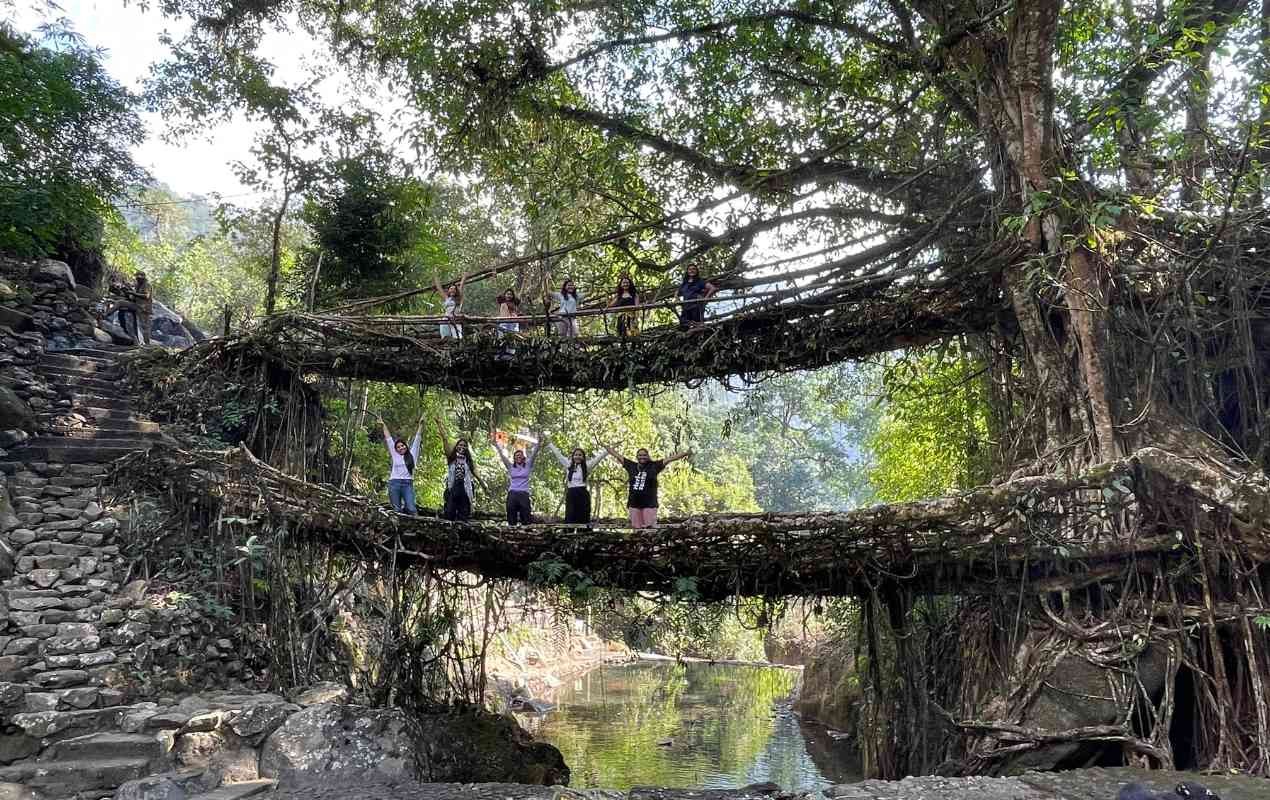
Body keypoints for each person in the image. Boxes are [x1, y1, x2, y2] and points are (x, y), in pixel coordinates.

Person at [602, 444, 691, 528]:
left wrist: (685, 453)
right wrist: (605, 446)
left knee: (649, 529)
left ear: (648, 456)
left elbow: (670, 459)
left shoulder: (654, 466)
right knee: (636, 530)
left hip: (649, 504)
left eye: (644, 455)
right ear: (637, 457)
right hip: (634, 504)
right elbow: (617, 455)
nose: (642, 457)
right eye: (640, 455)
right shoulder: (631, 466)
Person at [546, 440, 608, 525]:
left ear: (583, 457)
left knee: (583, 518)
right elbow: (558, 454)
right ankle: (568, 536)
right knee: (570, 517)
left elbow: (598, 458)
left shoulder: (587, 466)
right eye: (576, 455)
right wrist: (549, 443)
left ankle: (583, 536)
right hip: (571, 494)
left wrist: (608, 450)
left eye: (580, 455)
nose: (577, 457)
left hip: (582, 494)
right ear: (573, 456)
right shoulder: (568, 465)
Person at [377, 412, 423, 515]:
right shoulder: (395, 455)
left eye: (402, 446)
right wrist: (383, 424)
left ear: (406, 446)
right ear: (396, 450)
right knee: (397, 510)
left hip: (407, 484)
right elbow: (388, 439)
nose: (401, 448)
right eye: (398, 447)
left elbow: (417, 439)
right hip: (394, 483)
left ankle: (414, 526)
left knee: (411, 508)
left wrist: (421, 425)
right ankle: (399, 529)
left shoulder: (412, 455)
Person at [493, 431, 542, 525]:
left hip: (524, 493)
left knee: (526, 516)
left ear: (523, 457)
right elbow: (502, 456)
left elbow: (534, 454)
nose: (518, 457)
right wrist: (496, 445)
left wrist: (539, 443)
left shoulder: (528, 465)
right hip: (513, 493)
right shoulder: (510, 466)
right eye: (516, 456)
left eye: (520, 456)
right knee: (511, 513)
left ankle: (526, 533)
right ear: (514, 458)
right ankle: (511, 531)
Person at [436, 416, 476, 521]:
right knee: (449, 512)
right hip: (453, 486)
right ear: (456, 446)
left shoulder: (468, 461)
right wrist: (440, 425)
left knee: (464, 513)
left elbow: (474, 474)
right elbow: (445, 440)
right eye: (460, 445)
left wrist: (483, 485)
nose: (461, 447)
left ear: (466, 448)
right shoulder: (452, 458)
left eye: (464, 446)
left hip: (465, 487)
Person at [103, 272, 154, 345]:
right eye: (136, 278)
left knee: (144, 327)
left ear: (143, 278)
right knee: (120, 303)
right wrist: (127, 293)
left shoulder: (147, 285)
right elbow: (133, 298)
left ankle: (147, 344)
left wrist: (133, 293)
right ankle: (105, 314)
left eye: (139, 278)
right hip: (136, 305)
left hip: (144, 308)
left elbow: (146, 296)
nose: (137, 279)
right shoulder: (137, 285)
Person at [677, 264, 717, 329]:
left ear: (696, 271)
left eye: (694, 269)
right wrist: (678, 300)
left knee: (697, 327)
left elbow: (713, 288)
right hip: (685, 308)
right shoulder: (684, 283)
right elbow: (677, 293)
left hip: (696, 307)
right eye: (690, 269)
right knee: (683, 326)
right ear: (687, 271)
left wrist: (705, 299)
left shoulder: (699, 282)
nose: (692, 271)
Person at [435, 272, 466, 339]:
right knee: (445, 338)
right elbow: (439, 288)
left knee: (458, 337)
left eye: (454, 289)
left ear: (456, 291)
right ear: (448, 291)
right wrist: (435, 276)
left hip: (456, 319)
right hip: (446, 320)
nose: (453, 290)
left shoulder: (458, 298)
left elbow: (462, 286)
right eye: (451, 289)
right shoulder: (446, 298)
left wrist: (464, 277)